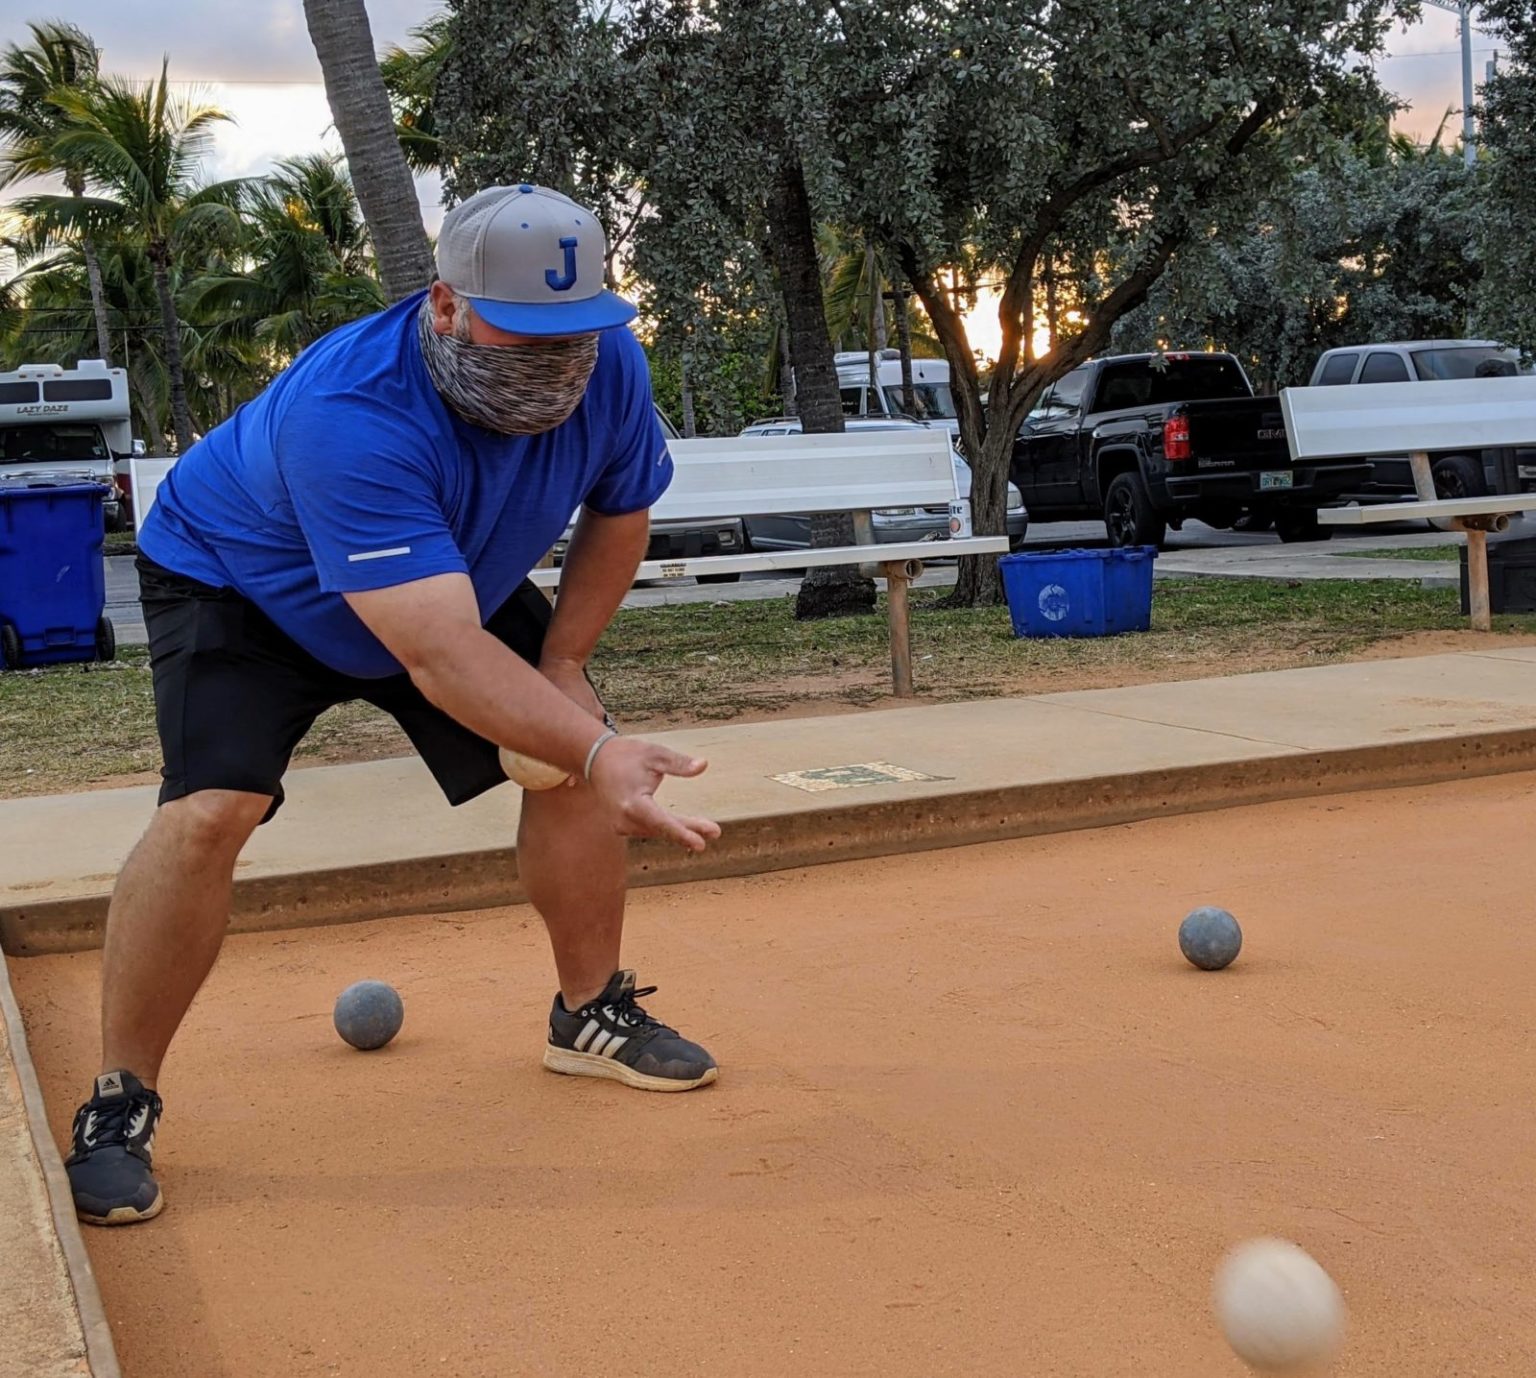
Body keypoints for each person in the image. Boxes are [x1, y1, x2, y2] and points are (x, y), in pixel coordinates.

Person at [64, 184, 723, 1227]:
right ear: (446, 307)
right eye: (525, 335)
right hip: (246, 583)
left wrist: (563, 667)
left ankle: (588, 1013)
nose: (555, 361)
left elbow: (622, 506)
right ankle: (119, 1099)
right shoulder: (352, 411)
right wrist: (599, 751)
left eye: (576, 333)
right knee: (212, 812)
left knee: (556, 753)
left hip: (441, 570)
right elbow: (440, 653)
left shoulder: (611, 367)